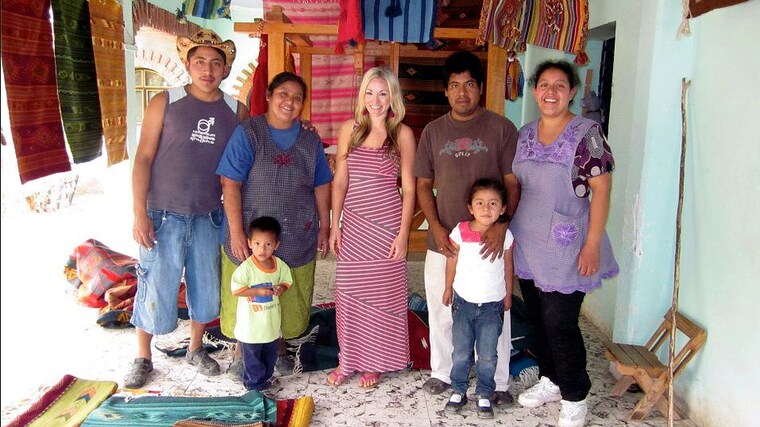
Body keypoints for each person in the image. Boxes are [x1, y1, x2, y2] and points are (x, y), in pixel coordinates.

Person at [125, 29, 248, 389]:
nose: (207, 70)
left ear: (225, 69)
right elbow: (143, 158)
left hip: (210, 215)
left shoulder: (235, 111)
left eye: (215, 63)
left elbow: (246, 159)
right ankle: (143, 356)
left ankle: (196, 348)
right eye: (200, 62)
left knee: (205, 287)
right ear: (187, 64)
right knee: (155, 283)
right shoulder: (165, 102)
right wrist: (139, 212)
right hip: (163, 214)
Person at [511, 60, 618, 427]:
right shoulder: (525, 133)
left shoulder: (587, 133)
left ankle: (575, 395)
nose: (551, 92)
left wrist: (592, 244)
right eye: (544, 84)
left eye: (559, 85)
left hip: (569, 244)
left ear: (571, 92)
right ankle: (551, 379)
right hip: (528, 240)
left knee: (560, 322)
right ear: (534, 90)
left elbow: (602, 190)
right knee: (539, 317)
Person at [413, 50, 520, 407]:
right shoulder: (433, 132)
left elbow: (512, 182)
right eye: (455, 85)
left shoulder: (501, 128)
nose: (462, 92)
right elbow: (422, 185)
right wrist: (436, 228)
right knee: (442, 307)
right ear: (446, 90)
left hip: (490, 242)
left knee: (496, 312)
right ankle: (443, 372)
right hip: (445, 241)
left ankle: (498, 381)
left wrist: (502, 224)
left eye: (470, 84)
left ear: (480, 88)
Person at [217, 71, 332, 377]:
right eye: (283, 94)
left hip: (296, 232)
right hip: (252, 233)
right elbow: (230, 183)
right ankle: (242, 349)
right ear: (268, 96)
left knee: (285, 288)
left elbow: (322, 184)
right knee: (250, 290)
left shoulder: (309, 140)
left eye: (297, 98)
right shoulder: (249, 133)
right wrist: (237, 232)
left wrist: (325, 226)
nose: (289, 102)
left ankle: (278, 344)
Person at [326, 67, 416, 388]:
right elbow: (340, 181)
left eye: (382, 94)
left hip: (386, 227)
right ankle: (348, 360)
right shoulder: (349, 129)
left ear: (392, 97)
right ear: (362, 95)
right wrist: (335, 225)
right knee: (350, 294)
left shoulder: (402, 134)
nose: (375, 101)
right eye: (369, 93)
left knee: (381, 297)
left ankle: (375, 362)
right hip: (354, 226)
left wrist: (403, 234)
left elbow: (409, 188)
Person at [442, 178, 515, 419]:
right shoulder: (460, 231)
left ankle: (484, 393)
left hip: (492, 306)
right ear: (470, 208)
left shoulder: (505, 236)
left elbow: (508, 266)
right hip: (463, 303)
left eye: (493, 203)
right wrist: (447, 288)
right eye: (480, 203)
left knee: (487, 355)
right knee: (461, 352)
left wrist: (508, 294)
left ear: (502, 209)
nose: (486, 209)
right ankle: (458, 390)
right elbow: (451, 261)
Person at [231, 216, 293, 392]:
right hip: (251, 328)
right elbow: (236, 290)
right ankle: (255, 387)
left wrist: (281, 288)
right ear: (249, 243)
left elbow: (286, 281)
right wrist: (257, 292)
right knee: (252, 359)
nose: (262, 249)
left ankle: (265, 379)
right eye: (257, 244)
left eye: (268, 244)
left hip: (270, 325)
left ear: (276, 245)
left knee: (269, 355)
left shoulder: (279, 265)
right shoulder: (246, 268)